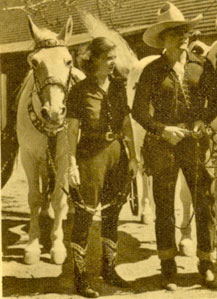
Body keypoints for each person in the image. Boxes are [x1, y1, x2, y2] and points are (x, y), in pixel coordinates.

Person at [131, 1, 217, 291]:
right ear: (163, 39)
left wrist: (202, 123)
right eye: (174, 33)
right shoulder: (152, 71)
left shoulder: (202, 67)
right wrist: (161, 129)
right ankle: (168, 266)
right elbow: (139, 112)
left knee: (203, 203)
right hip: (163, 145)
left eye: (184, 32)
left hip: (194, 144)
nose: (182, 37)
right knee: (165, 206)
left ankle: (206, 263)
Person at [66, 37, 138, 298]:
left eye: (113, 58)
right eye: (108, 58)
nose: (113, 63)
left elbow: (127, 122)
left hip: (117, 155)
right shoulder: (78, 91)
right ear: (94, 60)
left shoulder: (119, 86)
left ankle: (109, 270)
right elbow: (71, 131)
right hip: (89, 158)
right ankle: (80, 277)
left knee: (112, 214)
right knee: (84, 216)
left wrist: (133, 157)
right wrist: (71, 164)